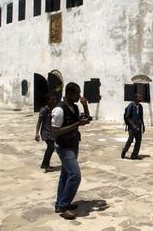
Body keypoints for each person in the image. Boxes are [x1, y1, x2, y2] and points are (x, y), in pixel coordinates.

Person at [51, 83, 91, 220]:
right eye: (77, 93)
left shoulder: (73, 107)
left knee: (65, 175)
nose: (78, 96)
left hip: (73, 144)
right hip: (64, 146)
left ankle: (59, 203)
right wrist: (76, 124)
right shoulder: (59, 110)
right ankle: (63, 206)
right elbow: (54, 132)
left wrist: (85, 106)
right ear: (69, 93)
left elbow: (87, 119)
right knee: (75, 175)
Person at [35, 93, 58, 173]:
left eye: (55, 99)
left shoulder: (55, 109)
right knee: (51, 147)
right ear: (48, 100)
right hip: (46, 132)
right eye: (52, 100)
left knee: (50, 148)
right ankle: (47, 166)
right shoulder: (44, 110)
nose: (54, 101)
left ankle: (44, 164)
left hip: (52, 132)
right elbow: (39, 122)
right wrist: (37, 133)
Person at [121, 93, 145, 159]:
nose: (141, 98)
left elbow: (141, 117)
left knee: (138, 141)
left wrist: (143, 125)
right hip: (132, 127)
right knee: (130, 140)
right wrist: (133, 125)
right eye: (140, 97)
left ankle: (134, 155)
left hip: (139, 126)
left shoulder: (140, 106)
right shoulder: (131, 105)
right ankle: (124, 150)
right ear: (136, 98)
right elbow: (127, 117)